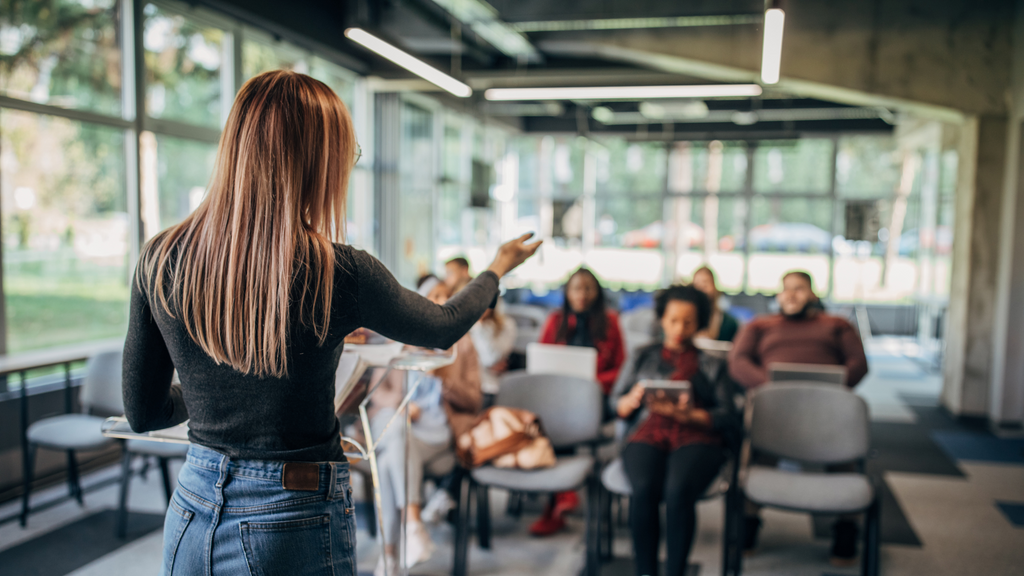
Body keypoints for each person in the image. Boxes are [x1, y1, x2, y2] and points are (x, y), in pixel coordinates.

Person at [121, 70, 540, 576]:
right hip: (290, 512)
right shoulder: (337, 271)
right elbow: (444, 324)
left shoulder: (160, 257)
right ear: (316, 162)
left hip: (191, 506)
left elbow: (143, 412)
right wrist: (496, 269)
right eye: (346, 156)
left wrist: (214, 398)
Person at [727, 270, 869, 565]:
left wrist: (835, 388)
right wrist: (769, 387)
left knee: (845, 452)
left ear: (813, 294)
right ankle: (750, 523)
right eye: (786, 289)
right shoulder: (760, 325)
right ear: (778, 295)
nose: (791, 295)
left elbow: (859, 363)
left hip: (827, 408)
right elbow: (737, 362)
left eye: (799, 289)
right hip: (774, 407)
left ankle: (846, 527)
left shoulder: (836, 325)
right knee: (760, 451)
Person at [611, 284, 740, 576]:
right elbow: (614, 404)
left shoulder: (713, 363)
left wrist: (690, 414)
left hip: (697, 435)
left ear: (700, 323)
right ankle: (645, 570)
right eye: (672, 320)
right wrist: (628, 401)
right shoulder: (642, 355)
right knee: (643, 488)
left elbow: (728, 417)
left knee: (677, 491)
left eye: (688, 321)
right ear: (661, 319)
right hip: (647, 431)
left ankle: (676, 571)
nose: (679, 328)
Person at [370, 281, 484, 576]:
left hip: (437, 434)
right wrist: (403, 403)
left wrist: (445, 379)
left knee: (388, 458)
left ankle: (390, 557)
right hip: (399, 427)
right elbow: (376, 394)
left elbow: (474, 401)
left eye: (444, 298)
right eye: (431, 297)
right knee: (395, 435)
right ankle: (412, 527)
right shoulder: (395, 340)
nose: (436, 303)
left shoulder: (462, 346)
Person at [532, 267, 626, 536]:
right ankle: (561, 496)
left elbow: (621, 369)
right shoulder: (555, 321)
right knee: (548, 418)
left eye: (587, 288)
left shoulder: (610, 322)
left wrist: (591, 381)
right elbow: (542, 361)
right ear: (567, 292)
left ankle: (560, 499)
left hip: (597, 398)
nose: (582, 295)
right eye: (576, 288)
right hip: (557, 398)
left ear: (596, 293)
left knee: (562, 420)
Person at [469, 300, 517, 398]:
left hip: (491, 385)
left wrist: (478, 327)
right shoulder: (463, 326)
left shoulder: (507, 325)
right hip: (469, 384)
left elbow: (490, 359)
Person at [691, 266, 740, 342]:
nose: (701, 289)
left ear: (714, 287)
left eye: (705, 284)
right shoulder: (685, 320)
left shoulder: (729, 324)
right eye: (697, 285)